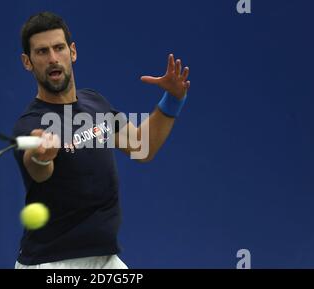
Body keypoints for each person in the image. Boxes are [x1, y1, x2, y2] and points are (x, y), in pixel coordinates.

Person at [13, 11, 190, 269]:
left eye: (58, 48)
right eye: (41, 52)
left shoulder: (95, 103)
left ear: (72, 52)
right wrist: (41, 156)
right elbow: (38, 169)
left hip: (105, 260)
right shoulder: (30, 124)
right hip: (50, 264)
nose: (52, 58)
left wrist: (173, 99)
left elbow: (143, 147)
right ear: (27, 62)